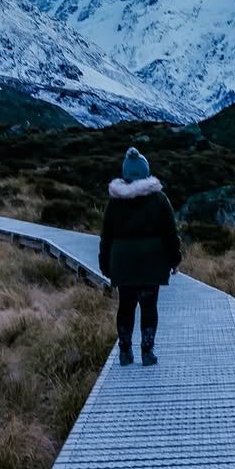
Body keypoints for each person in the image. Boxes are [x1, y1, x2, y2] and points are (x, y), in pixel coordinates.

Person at [98, 147, 181, 367]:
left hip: (123, 264)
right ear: (146, 172)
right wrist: (174, 260)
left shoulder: (115, 202)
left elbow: (106, 236)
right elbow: (170, 233)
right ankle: (147, 352)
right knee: (149, 306)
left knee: (125, 306)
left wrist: (105, 264)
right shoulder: (159, 199)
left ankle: (125, 352)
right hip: (152, 263)